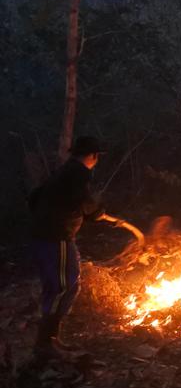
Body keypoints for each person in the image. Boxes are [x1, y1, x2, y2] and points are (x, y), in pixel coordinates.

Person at [28, 136, 108, 360]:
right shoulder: (79, 173)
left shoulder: (63, 172)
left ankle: (51, 339)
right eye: (97, 156)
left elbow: (35, 197)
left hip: (46, 236)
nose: (96, 160)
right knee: (62, 287)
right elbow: (84, 202)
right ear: (93, 156)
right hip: (56, 238)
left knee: (64, 285)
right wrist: (95, 212)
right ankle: (44, 343)